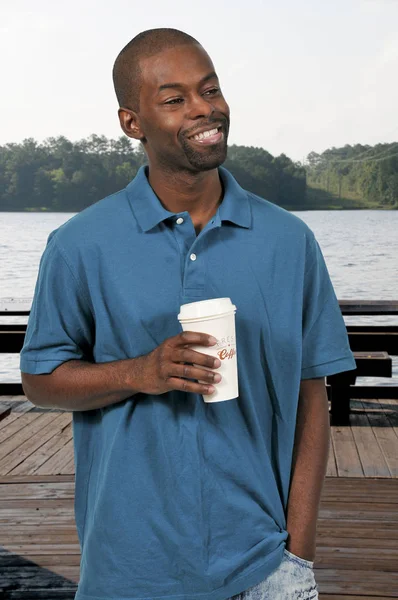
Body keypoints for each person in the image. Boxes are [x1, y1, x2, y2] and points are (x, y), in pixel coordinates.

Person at [20, 28, 356, 600]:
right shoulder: (79, 245)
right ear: (132, 123)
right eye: (175, 99)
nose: (204, 110)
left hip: (265, 565)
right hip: (127, 572)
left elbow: (311, 396)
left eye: (210, 90)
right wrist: (139, 373)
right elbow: (39, 380)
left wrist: (299, 553)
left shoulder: (289, 241)